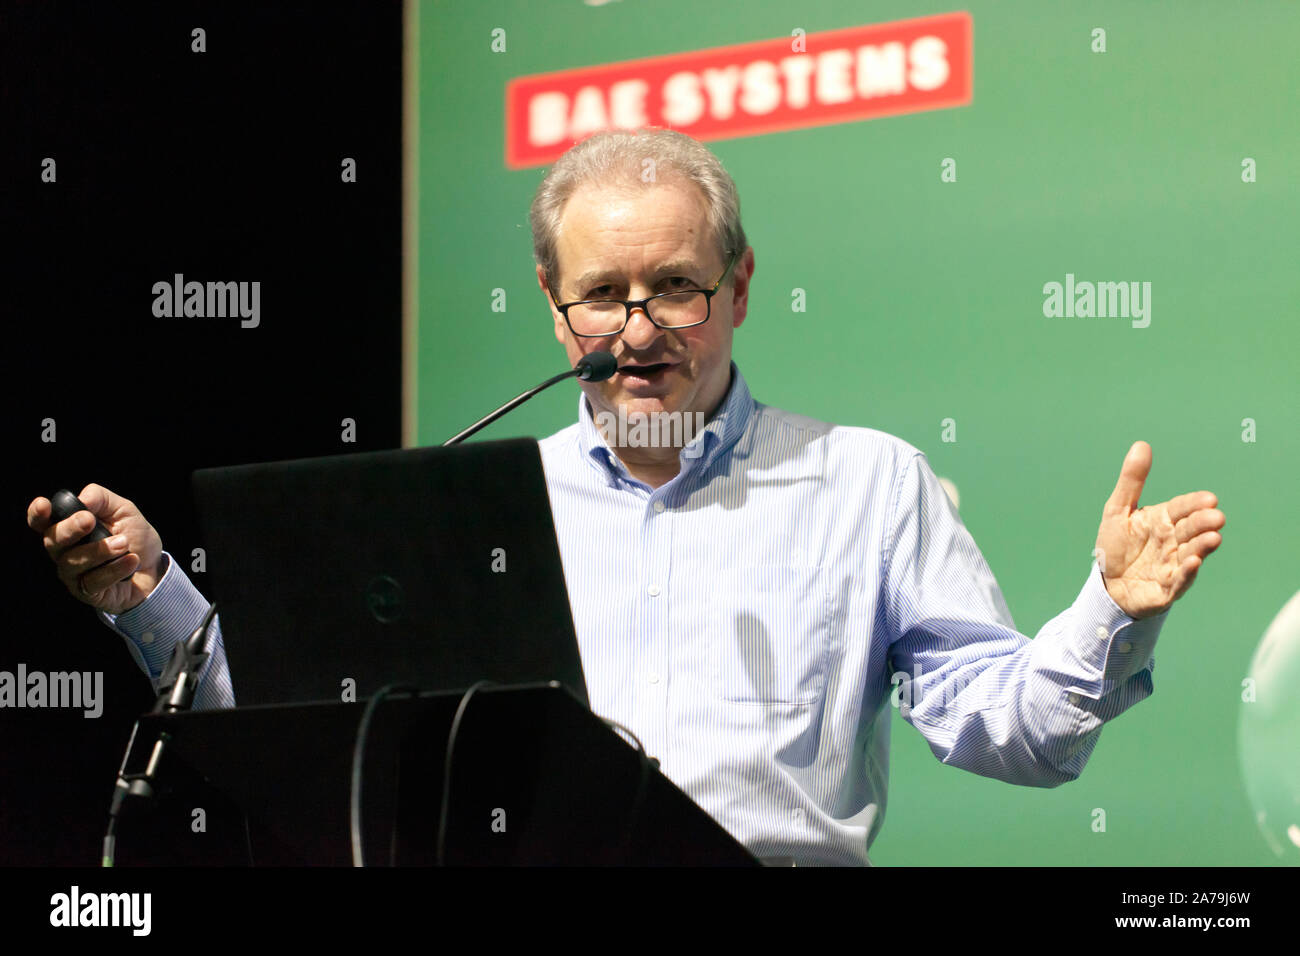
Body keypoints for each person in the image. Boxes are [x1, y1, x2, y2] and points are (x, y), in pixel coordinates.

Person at [27, 128, 1226, 866]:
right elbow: (324, 723)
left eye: (676, 287)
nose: (639, 329)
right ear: (555, 307)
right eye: (603, 293)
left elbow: (1004, 728)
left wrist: (1108, 611)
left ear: (741, 287)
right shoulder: (478, 498)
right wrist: (154, 601)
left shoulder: (867, 481)